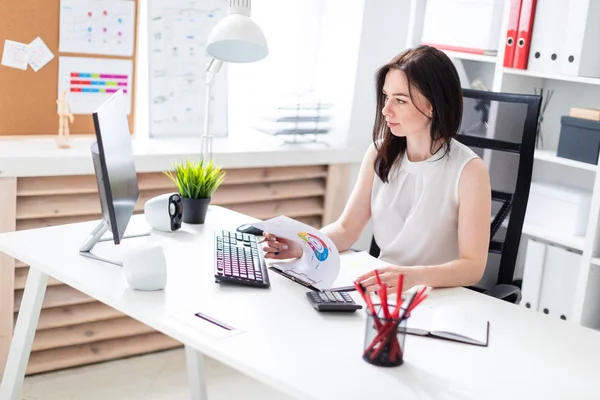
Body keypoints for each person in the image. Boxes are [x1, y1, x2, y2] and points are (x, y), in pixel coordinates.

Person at [262, 45, 491, 294]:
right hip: (383, 292)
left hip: (437, 296)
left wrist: (412, 276)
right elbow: (346, 229)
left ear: (432, 105)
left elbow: (473, 267)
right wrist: (303, 246)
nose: (385, 110)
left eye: (400, 101)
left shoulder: (469, 171)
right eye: (386, 97)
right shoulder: (379, 153)